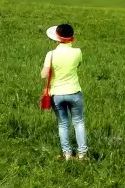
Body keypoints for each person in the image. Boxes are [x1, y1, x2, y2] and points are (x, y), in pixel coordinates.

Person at [41, 24, 87, 161]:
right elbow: (78, 65)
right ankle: (82, 154)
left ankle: (67, 154)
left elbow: (44, 75)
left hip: (57, 94)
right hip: (74, 92)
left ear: (57, 38)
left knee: (63, 124)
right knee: (78, 122)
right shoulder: (77, 52)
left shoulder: (51, 54)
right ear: (72, 37)